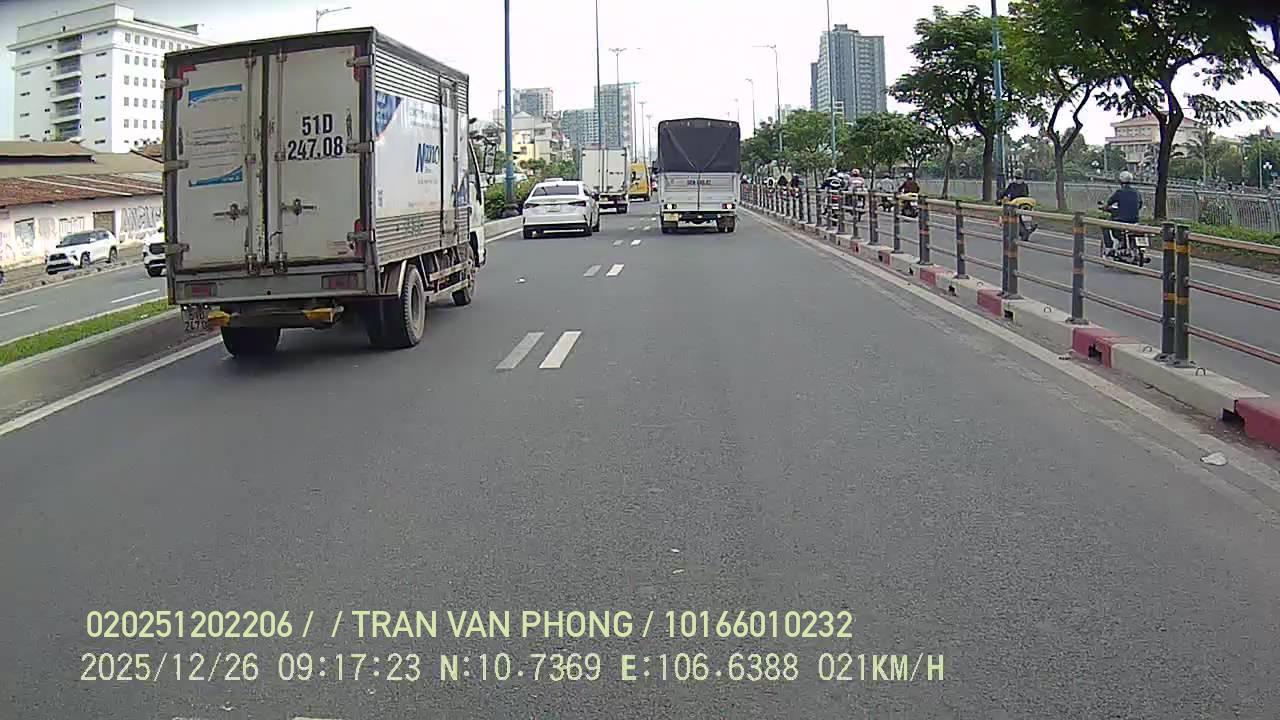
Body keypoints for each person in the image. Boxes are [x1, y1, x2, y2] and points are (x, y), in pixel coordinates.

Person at [1102, 170, 1142, 252]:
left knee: (1105, 226)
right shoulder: (1137, 193)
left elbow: (1108, 203)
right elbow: (1140, 205)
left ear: (1120, 181)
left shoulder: (1119, 192)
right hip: (1135, 220)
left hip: (1121, 220)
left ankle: (1109, 248)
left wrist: (1104, 207)